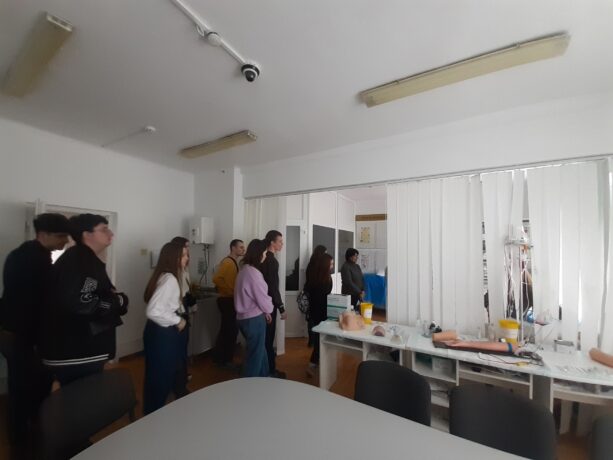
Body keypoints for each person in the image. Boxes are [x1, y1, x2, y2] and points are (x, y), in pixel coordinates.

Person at [0, 213, 70, 457]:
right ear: (43, 234)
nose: (65, 241)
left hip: (10, 333)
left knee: (20, 386)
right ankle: (24, 441)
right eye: (61, 236)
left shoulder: (18, 254)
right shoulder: (38, 262)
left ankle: (21, 436)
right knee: (29, 387)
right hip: (24, 337)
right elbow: (39, 307)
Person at [40, 214, 129, 385]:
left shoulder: (82, 259)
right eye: (104, 229)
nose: (111, 233)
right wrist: (117, 301)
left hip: (75, 348)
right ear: (86, 234)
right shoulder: (81, 260)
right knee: (83, 398)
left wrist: (113, 298)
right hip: (78, 350)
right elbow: (80, 301)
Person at [142, 242, 190, 415]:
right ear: (173, 258)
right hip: (163, 335)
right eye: (183, 255)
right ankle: (154, 416)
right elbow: (153, 310)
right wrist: (178, 320)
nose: (187, 259)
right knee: (161, 378)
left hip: (155, 332)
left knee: (155, 376)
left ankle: (151, 413)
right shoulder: (170, 279)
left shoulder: (163, 275)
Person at [234, 239, 273, 377]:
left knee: (260, 352)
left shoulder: (245, 270)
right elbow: (262, 298)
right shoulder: (253, 273)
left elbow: (253, 297)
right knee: (255, 357)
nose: (265, 255)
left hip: (245, 318)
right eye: (264, 253)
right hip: (253, 320)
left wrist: (264, 311)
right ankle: (249, 385)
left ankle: (265, 377)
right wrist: (268, 309)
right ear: (259, 253)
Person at [212, 239, 245, 368]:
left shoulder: (233, 262)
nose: (243, 249)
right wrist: (230, 290)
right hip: (227, 300)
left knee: (227, 330)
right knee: (229, 331)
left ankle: (221, 358)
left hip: (229, 300)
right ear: (233, 248)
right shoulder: (228, 262)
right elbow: (216, 279)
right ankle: (225, 360)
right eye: (240, 247)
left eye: (243, 247)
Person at [259, 230, 287, 378]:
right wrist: (281, 307)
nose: (282, 244)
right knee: (268, 339)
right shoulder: (271, 261)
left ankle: (265, 369)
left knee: (264, 339)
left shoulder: (264, 258)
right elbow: (273, 287)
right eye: (280, 241)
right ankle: (270, 371)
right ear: (272, 243)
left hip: (261, 304)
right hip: (269, 305)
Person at [169, 236, 196, 387]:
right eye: (185, 249)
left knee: (182, 346)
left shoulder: (184, 269)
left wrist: (192, 303)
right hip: (177, 313)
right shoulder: (171, 275)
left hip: (182, 310)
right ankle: (178, 381)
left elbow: (186, 290)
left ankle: (182, 376)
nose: (188, 253)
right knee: (178, 348)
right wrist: (180, 317)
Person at [304, 253, 333, 376]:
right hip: (322, 313)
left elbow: (308, 292)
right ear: (325, 265)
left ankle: (316, 362)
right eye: (331, 264)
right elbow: (326, 297)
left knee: (317, 339)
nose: (332, 266)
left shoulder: (313, 277)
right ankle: (313, 364)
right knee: (321, 340)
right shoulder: (327, 279)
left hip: (313, 312)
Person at [305, 245, 327, 347]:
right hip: (317, 294)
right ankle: (318, 340)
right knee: (318, 318)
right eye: (325, 253)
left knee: (311, 317)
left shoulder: (310, 263)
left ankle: (311, 340)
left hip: (310, 293)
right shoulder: (319, 265)